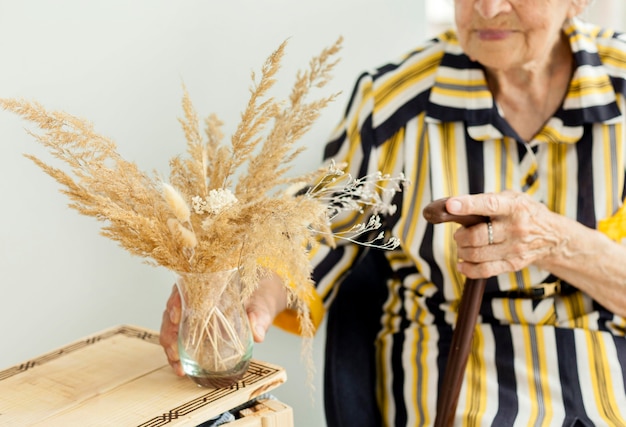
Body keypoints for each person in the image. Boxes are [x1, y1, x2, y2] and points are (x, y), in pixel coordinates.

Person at [160, 0, 626, 425]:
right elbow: (319, 228)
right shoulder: (394, 101)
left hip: (609, 370)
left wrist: (556, 240)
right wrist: (239, 290)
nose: (487, 8)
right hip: (456, 374)